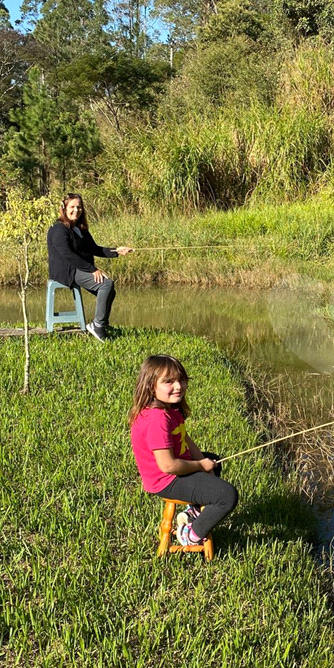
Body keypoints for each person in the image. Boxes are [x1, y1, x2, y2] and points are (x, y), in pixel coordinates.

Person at [129, 354, 238, 548]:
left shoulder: (170, 409)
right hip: (166, 480)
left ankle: (194, 511)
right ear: (150, 385)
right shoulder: (157, 419)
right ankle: (190, 535)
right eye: (169, 382)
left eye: (181, 380)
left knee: (214, 460)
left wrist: (204, 462)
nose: (178, 386)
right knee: (227, 495)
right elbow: (168, 465)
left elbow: (185, 439)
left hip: (174, 470)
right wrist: (200, 465)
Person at [47, 194, 133, 342]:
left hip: (79, 268)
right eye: (72, 207)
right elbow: (67, 255)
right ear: (64, 209)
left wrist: (117, 251)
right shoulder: (58, 228)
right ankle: (97, 326)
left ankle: (101, 324)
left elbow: (95, 249)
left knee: (109, 290)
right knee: (106, 284)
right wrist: (92, 269)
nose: (76, 210)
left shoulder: (80, 229)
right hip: (67, 270)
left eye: (79, 207)